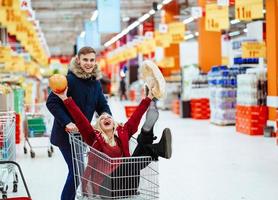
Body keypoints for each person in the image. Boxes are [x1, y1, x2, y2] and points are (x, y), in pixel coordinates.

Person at [53, 84, 172, 198]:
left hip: (127, 184)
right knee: (131, 161)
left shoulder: (122, 133)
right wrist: (65, 98)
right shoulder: (94, 138)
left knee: (139, 150)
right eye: (102, 119)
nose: (106, 118)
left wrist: (149, 97)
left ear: (114, 124)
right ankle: (153, 144)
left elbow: (135, 117)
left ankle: (147, 134)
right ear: (98, 127)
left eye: (109, 117)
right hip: (105, 188)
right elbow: (81, 119)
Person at [46, 46, 111, 200]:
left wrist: (107, 116)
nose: (89, 63)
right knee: (77, 171)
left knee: (77, 170)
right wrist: (67, 122)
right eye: (85, 60)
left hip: (81, 136)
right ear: (78, 60)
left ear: (95, 62)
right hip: (65, 135)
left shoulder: (95, 84)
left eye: (92, 60)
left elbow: (102, 105)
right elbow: (52, 102)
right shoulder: (69, 80)